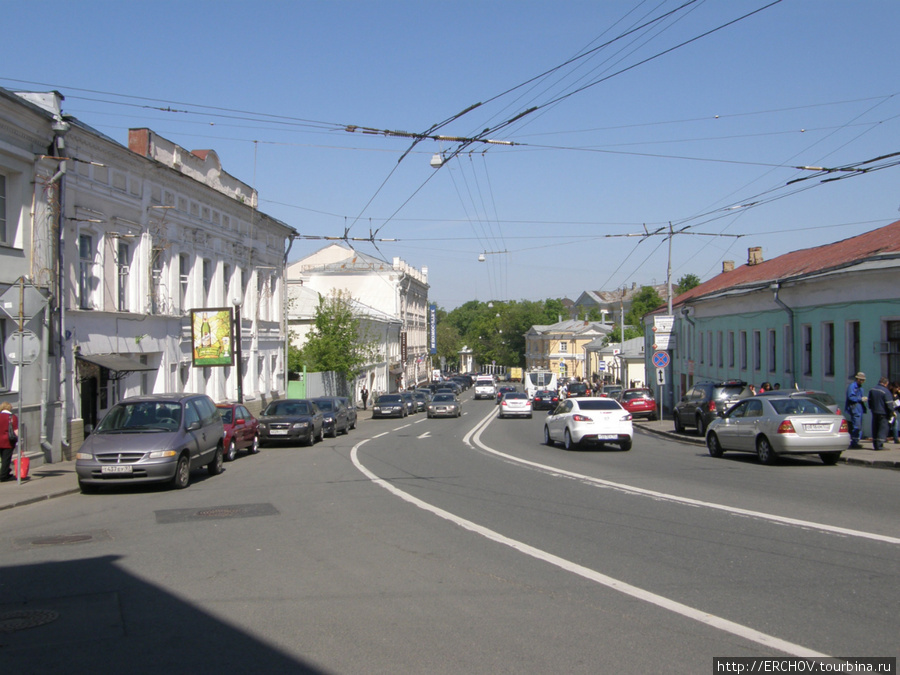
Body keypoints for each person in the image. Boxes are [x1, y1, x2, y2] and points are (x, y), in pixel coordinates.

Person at [868, 376, 893, 451]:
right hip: (883, 413)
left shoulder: (872, 389)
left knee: (875, 428)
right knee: (882, 429)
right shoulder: (886, 391)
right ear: (886, 383)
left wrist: (872, 409)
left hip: (874, 412)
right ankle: (880, 445)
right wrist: (891, 413)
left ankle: (875, 444)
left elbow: (869, 401)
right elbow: (889, 404)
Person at [845, 372, 867, 449]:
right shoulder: (852, 386)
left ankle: (856, 441)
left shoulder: (860, 388)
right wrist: (860, 399)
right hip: (854, 408)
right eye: (861, 380)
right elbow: (851, 397)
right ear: (857, 379)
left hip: (859, 408)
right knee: (856, 425)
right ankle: (854, 442)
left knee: (859, 426)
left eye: (863, 380)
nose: (862, 381)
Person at [0, 401, 18, 482]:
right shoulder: (12, 417)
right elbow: (16, 430)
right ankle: (3, 476)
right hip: (8, 441)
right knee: (6, 459)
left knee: (1, 459)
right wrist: (18, 440)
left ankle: (6, 472)